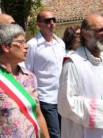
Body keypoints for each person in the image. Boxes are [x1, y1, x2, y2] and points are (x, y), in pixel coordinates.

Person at [58, 13, 103, 138]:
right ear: (86, 34)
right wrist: (101, 108)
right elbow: (65, 104)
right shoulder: (73, 63)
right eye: (100, 30)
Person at [0, 24, 49, 138]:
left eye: (25, 42)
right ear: (6, 47)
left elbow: (37, 114)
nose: (26, 46)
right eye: (21, 42)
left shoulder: (29, 77)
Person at [25, 10, 65, 138]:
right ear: (39, 24)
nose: (52, 23)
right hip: (46, 97)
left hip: (63, 96)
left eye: (54, 19)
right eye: (48, 21)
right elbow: (27, 72)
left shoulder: (61, 43)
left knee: (66, 132)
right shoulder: (32, 45)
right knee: (55, 134)